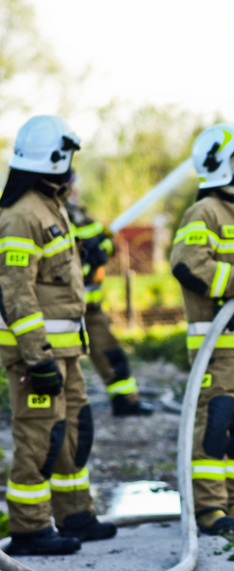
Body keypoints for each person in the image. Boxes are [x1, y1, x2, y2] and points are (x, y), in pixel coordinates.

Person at [0, 115, 118, 555]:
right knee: (39, 438)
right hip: (38, 355)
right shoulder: (20, 215)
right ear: (54, 159)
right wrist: (37, 357)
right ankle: (30, 529)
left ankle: (75, 515)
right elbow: (15, 291)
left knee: (74, 434)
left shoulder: (51, 206)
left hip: (65, 351)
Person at [170, 123, 234, 535]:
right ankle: (207, 507)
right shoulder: (205, 212)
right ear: (218, 166)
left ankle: (228, 501)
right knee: (215, 424)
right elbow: (187, 262)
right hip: (220, 346)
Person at [65, 172, 154, 417]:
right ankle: (63, 412)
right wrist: (84, 255)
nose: (76, 193)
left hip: (92, 310)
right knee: (60, 363)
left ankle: (126, 401)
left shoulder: (84, 218)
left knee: (112, 354)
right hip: (64, 309)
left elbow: (107, 244)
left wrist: (101, 246)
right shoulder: (55, 219)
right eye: (72, 188)